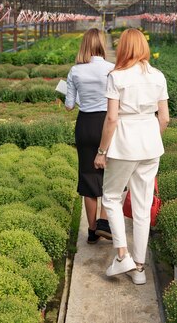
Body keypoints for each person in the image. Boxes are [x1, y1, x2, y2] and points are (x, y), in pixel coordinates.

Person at [94, 28, 170, 285]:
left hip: (124, 144)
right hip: (150, 144)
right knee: (142, 206)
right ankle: (139, 268)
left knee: (112, 197)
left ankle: (122, 254)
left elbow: (112, 118)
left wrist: (102, 151)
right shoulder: (158, 76)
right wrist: (152, 138)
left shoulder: (116, 76)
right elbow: (165, 118)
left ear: (124, 48)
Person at [65, 28, 115, 244]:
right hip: (107, 124)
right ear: (101, 45)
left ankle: (93, 230)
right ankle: (105, 221)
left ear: (84, 45)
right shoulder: (112, 69)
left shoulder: (75, 71)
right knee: (111, 176)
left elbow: (69, 105)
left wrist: (81, 100)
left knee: (88, 178)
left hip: (85, 124)